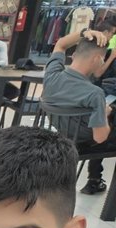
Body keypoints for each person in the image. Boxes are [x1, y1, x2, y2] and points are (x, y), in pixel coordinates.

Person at [42, 28, 115, 195]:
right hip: (85, 141)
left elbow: (61, 44)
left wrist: (85, 32)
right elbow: (100, 137)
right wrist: (105, 113)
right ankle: (97, 184)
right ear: (97, 59)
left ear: (74, 55)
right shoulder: (94, 93)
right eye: (103, 60)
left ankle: (95, 180)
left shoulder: (52, 74)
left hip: (64, 131)